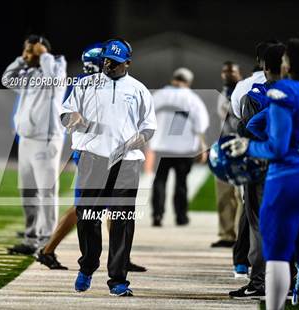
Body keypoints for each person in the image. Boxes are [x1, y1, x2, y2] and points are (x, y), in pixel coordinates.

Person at [36, 43, 147, 272]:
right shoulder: (86, 85)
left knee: (111, 206)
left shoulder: (99, 83)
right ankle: (47, 250)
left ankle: (120, 257)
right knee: (85, 208)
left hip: (103, 151)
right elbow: (69, 117)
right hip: (91, 153)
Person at [61, 38, 156, 296]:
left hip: (127, 162)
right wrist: (73, 119)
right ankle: (88, 264)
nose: (107, 66)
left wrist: (133, 142)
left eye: (113, 63)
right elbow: (64, 114)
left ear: (127, 63)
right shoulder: (85, 84)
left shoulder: (138, 89)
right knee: (87, 217)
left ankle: (118, 280)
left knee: (122, 220)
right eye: (105, 61)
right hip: (93, 159)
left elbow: (149, 127)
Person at [222, 38, 299, 309]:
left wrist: (248, 145)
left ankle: (274, 301)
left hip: (286, 177)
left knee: (277, 251)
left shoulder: (282, 92)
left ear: (289, 63)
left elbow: (275, 145)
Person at [229, 42, 285, 300]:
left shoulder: (256, 93)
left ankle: (260, 280)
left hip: (264, 168)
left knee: (260, 226)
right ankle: (296, 283)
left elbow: (248, 128)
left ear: (263, 64)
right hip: (297, 167)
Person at [3, 35, 67, 255]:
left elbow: (52, 77)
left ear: (42, 53)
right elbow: (7, 80)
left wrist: (44, 55)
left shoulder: (57, 69)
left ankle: (47, 242)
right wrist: (22, 60)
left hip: (46, 141)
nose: (26, 54)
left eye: (31, 51)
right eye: (25, 50)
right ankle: (31, 239)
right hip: (27, 140)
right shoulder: (30, 74)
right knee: (28, 192)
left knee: (46, 192)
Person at [149, 68, 209, 227]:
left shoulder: (159, 96)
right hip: (184, 148)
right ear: (188, 82)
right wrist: (202, 146)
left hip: (161, 147)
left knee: (159, 181)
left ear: (173, 78)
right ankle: (181, 217)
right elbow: (201, 125)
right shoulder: (192, 99)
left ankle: (157, 215)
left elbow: (145, 119)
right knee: (181, 183)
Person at [211, 61, 243, 248]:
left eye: (232, 71)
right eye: (225, 71)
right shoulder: (223, 92)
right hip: (223, 147)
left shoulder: (243, 90)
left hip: (239, 146)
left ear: (239, 73)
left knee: (241, 195)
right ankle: (226, 234)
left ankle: (241, 236)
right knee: (223, 193)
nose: (227, 74)